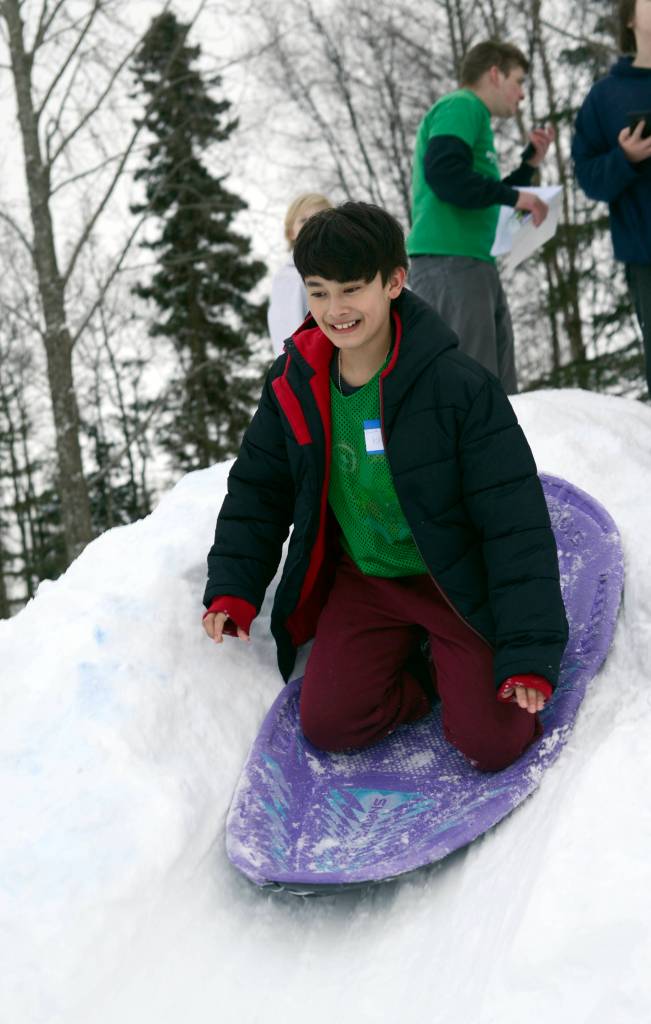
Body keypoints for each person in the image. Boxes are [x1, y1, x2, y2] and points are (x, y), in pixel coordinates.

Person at [203, 202, 568, 773]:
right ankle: (424, 673)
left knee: (493, 741)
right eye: (318, 292)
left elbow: (513, 522)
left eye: (352, 289)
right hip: (367, 578)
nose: (335, 310)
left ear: (394, 281)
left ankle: (456, 659)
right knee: (330, 724)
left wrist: (527, 653)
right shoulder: (294, 384)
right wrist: (234, 587)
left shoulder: (458, 388)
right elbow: (258, 489)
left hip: (450, 577)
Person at [407, 40, 556, 394]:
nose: (521, 94)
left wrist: (527, 167)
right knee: (471, 389)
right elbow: (445, 175)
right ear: (494, 73)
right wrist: (519, 196)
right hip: (450, 261)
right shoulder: (462, 105)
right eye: (518, 81)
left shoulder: (472, 116)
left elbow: (478, 193)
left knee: (496, 389)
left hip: (472, 262)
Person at [572, 0, 651, 398]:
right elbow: (587, 178)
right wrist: (626, 159)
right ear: (631, 18)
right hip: (647, 258)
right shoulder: (605, 97)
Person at [267, 192, 332, 356]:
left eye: (320, 218)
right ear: (291, 232)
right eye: (304, 220)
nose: (313, 225)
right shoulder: (290, 277)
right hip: (309, 368)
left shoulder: (345, 267)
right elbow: (288, 329)